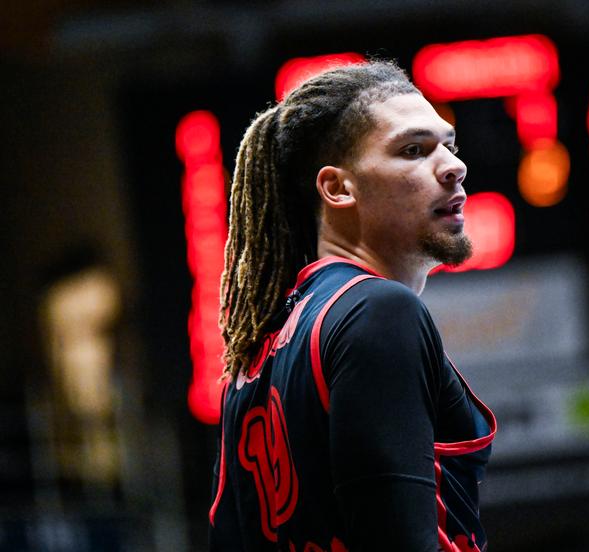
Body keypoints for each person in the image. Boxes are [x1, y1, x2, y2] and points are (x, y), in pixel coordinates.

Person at [208, 60, 496, 552]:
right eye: (413, 150)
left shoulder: (256, 353)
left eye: (447, 145)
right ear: (338, 188)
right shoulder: (378, 311)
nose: (453, 165)